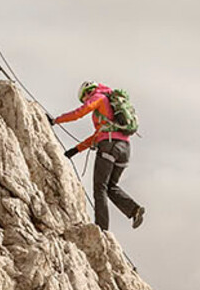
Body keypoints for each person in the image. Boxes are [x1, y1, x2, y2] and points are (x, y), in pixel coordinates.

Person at [49, 81, 145, 231]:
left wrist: (56, 120)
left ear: (87, 92)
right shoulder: (112, 109)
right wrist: (75, 150)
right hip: (125, 149)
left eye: (84, 98)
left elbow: (79, 113)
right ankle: (134, 210)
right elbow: (98, 135)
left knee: (99, 188)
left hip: (110, 146)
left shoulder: (98, 97)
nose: (85, 101)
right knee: (111, 187)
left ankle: (101, 229)